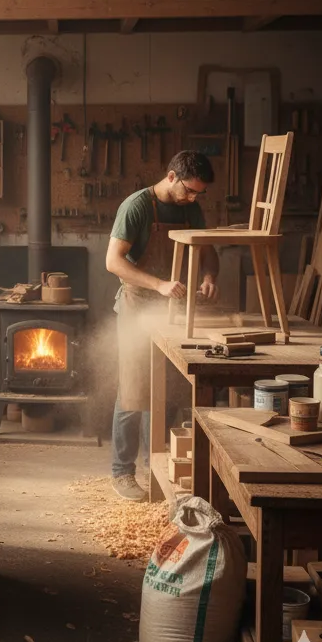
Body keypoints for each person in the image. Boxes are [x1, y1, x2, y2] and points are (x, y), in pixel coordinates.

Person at [105, 151, 218, 502]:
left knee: (167, 389)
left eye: (199, 193)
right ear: (171, 177)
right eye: (189, 190)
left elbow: (207, 251)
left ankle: (154, 465)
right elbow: (113, 262)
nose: (193, 198)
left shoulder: (190, 209)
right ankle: (122, 472)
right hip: (138, 304)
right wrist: (159, 285)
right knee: (134, 388)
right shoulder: (137, 207)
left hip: (173, 307)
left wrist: (209, 277)